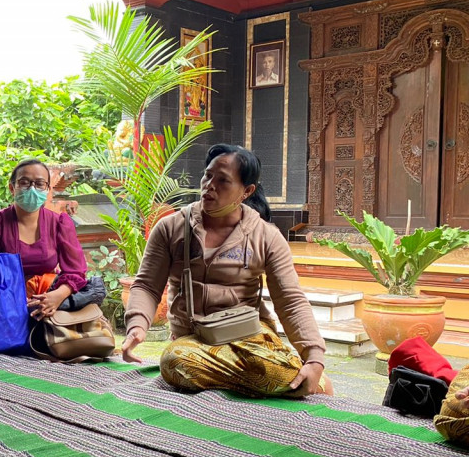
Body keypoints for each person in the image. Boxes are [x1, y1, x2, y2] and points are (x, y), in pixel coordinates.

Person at [122, 144, 333, 398]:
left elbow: (290, 300)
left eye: (222, 180)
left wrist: (314, 357)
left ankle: (283, 378)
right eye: (207, 175)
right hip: (195, 343)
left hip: (250, 338)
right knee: (175, 361)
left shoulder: (266, 236)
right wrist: (137, 325)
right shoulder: (171, 228)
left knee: (195, 365)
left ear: (246, 191)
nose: (209, 185)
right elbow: (146, 285)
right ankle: (282, 382)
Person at [0, 159, 88, 320]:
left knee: (96, 287)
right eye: (24, 183)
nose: (32, 189)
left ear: (47, 189)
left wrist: (56, 297)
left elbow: (76, 270)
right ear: (12, 188)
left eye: (40, 184)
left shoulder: (59, 223)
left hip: (49, 294)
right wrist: (16, 298)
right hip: (8, 297)